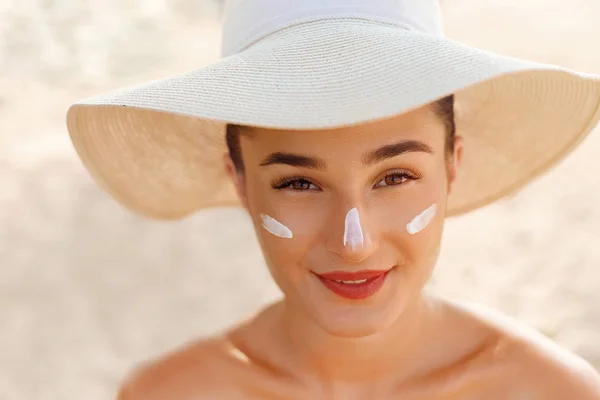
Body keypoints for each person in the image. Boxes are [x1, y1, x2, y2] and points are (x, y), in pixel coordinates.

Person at [66, 0, 600, 398]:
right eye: (299, 183)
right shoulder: (171, 394)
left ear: (453, 163)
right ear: (239, 182)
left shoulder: (550, 391)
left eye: (394, 177)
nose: (354, 243)